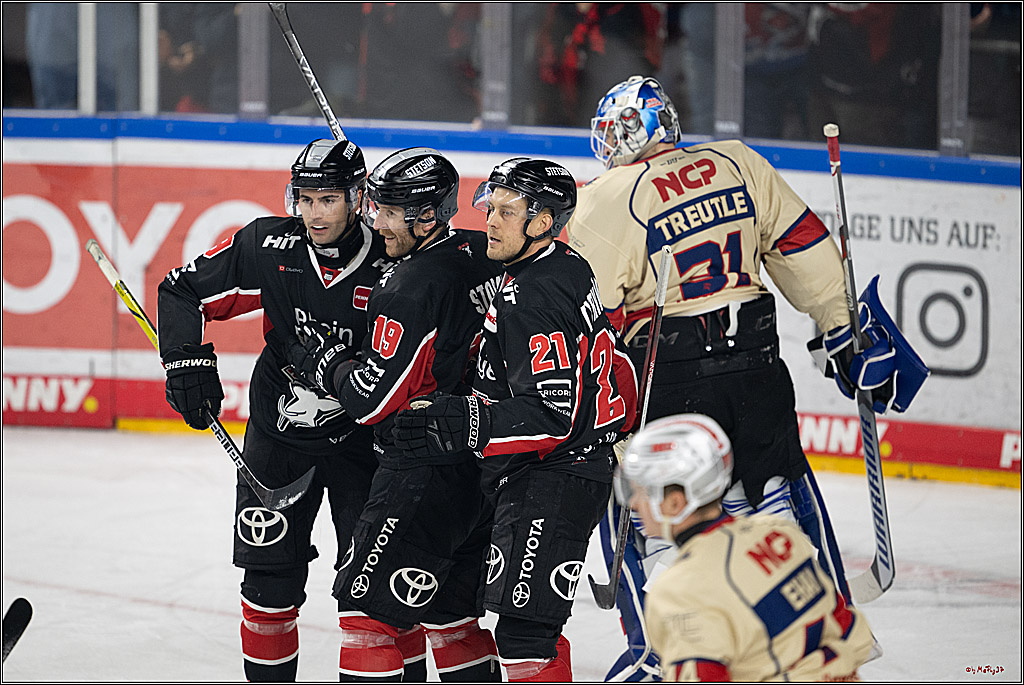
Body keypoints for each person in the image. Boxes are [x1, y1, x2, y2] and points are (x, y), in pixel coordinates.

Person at [566, 74, 920, 681]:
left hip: (668, 387)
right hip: (758, 374)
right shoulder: (740, 161)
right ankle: (817, 637)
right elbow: (804, 246)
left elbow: (590, 316)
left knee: (658, 523)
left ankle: (661, 656)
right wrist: (841, 328)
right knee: (777, 502)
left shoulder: (604, 197)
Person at [392, 157, 639, 681]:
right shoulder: (562, 264)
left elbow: (550, 414)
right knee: (524, 632)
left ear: (542, 223)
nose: (491, 220)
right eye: (491, 207)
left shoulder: (533, 296)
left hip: (555, 472)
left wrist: (464, 420)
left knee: (526, 638)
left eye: (508, 212)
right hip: (556, 467)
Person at [157, 138, 388, 681]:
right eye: (304, 199)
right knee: (267, 585)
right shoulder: (270, 245)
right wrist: (185, 362)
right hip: (279, 437)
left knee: (373, 599)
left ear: (358, 198)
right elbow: (181, 290)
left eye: (328, 199)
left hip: (369, 442)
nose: (313, 214)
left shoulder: (394, 255)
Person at [286, 147, 506, 681]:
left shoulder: (409, 287)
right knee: (452, 617)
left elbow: (370, 399)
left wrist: (330, 362)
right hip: (483, 462)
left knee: (367, 617)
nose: (373, 221)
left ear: (427, 216)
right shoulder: (483, 253)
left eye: (387, 211)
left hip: (420, 471)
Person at [618, 413, 875, 682]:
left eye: (643, 492)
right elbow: (845, 624)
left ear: (674, 502)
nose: (635, 503)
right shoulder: (780, 534)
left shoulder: (681, 590)